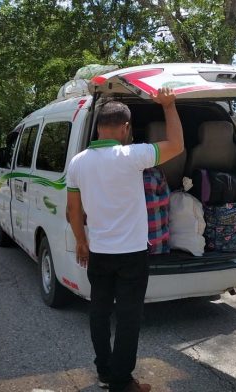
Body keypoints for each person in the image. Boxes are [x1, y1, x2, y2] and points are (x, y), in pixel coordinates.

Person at [66, 88, 184, 392]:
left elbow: (72, 211)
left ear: (98, 128)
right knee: (129, 318)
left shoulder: (78, 162)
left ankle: (105, 371)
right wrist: (169, 106)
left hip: (99, 253)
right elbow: (177, 145)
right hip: (132, 255)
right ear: (125, 128)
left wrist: (81, 241)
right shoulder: (133, 155)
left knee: (99, 313)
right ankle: (121, 382)